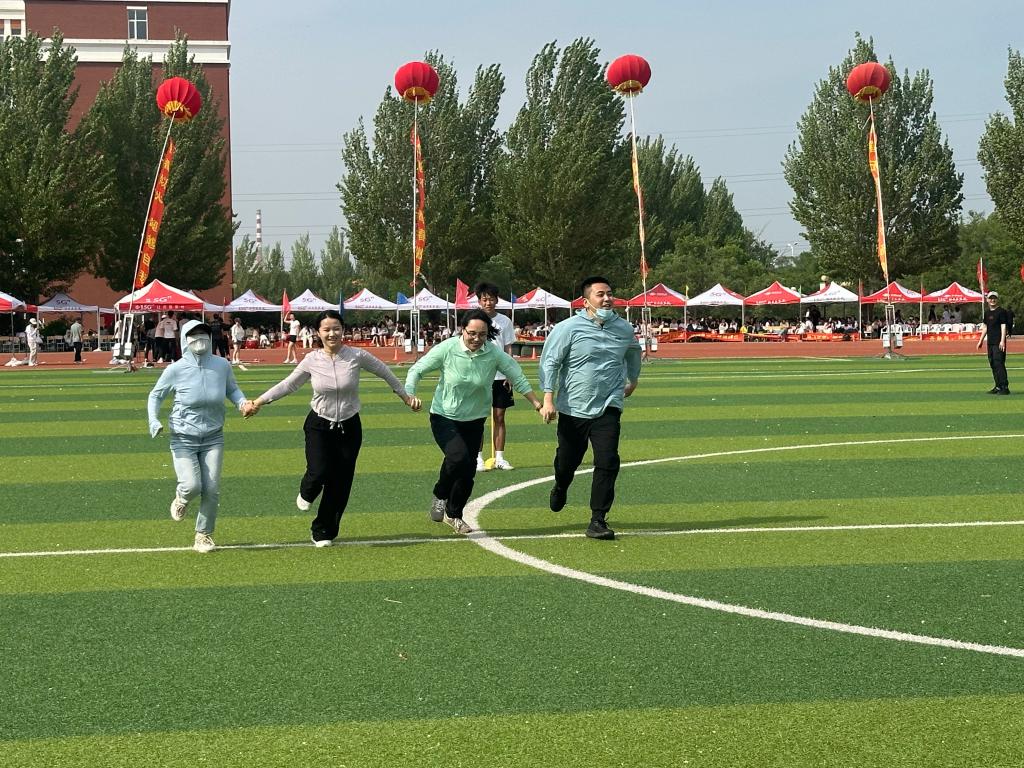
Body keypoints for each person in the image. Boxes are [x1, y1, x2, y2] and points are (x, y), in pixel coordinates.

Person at [245, 310, 420, 546]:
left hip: (349, 426)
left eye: (336, 328)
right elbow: (288, 385)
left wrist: (406, 397)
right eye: (326, 329)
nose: (332, 333)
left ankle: (323, 531)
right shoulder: (312, 360)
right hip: (319, 424)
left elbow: (385, 372)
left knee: (340, 482)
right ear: (318, 333)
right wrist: (258, 402)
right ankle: (308, 490)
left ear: (343, 330)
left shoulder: (357, 356)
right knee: (318, 471)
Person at [405, 309, 547, 535]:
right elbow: (417, 370)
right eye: (472, 333)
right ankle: (440, 494)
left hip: (475, 419)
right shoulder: (447, 349)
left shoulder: (493, 353)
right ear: (463, 330)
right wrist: (410, 395)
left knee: (468, 471)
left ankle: (454, 514)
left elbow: (517, 376)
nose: (476, 338)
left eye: (482, 334)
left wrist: (537, 404)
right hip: (445, 416)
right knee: (458, 457)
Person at [539, 276, 642, 541]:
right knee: (567, 461)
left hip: (609, 404)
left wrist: (633, 380)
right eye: (600, 294)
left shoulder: (624, 328)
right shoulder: (568, 328)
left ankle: (598, 519)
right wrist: (548, 398)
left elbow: (633, 352)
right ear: (586, 302)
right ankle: (561, 485)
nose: (607, 298)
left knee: (608, 460)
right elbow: (550, 362)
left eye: (609, 293)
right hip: (573, 407)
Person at [147, 320, 249, 552]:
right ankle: (182, 498)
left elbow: (232, 389)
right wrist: (153, 420)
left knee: (211, 489)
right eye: (194, 335)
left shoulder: (221, 365)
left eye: (204, 333)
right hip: (183, 437)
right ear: (185, 339)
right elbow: (156, 395)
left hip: (214, 437)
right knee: (192, 485)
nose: (199, 338)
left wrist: (242, 402)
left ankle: (203, 534)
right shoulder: (175, 369)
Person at [474, 282, 518, 472]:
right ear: (479, 301)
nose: (488, 302)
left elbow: (508, 348)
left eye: (491, 299)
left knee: (499, 417)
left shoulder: (505, 321)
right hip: (479, 376)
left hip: (501, 376)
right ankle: (477, 458)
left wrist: (510, 372)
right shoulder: (474, 319)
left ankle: (499, 457)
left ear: (496, 300)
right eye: (484, 299)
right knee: (478, 418)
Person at [977, 291, 1011, 395]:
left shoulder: (1001, 312)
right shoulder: (987, 313)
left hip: (998, 342)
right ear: (987, 300)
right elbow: (985, 327)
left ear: (997, 299)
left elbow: (1003, 326)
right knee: (992, 363)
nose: (992, 300)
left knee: (999, 363)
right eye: (990, 298)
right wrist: (980, 341)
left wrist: (1002, 341)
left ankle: (1004, 387)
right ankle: (998, 385)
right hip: (990, 342)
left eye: (994, 298)